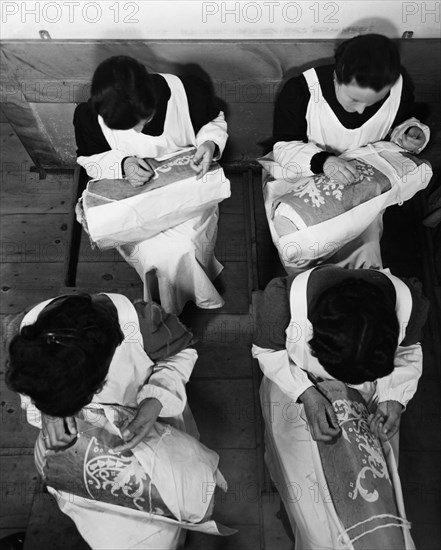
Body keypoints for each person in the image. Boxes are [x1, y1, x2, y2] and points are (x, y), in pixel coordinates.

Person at [6, 293, 225, 549]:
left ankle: (173, 533)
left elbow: (181, 353)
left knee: (167, 500)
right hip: (82, 439)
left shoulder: (142, 325)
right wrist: (50, 415)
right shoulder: (23, 335)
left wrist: (154, 400)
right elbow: (31, 386)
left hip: (145, 417)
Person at [252, 265, 428, 549]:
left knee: (373, 482)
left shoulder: (408, 303)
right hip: (298, 382)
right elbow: (268, 352)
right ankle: (293, 510)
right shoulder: (283, 302)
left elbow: (408, 350)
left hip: (373, 393)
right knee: (308, 495)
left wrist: (393, 396)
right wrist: (306, 393)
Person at [74, 55, 229, 314]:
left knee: (181, 248)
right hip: (133, 196)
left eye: (143, 120)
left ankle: (193, 299)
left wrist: (209, 144)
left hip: (185, 189)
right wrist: (123, 164)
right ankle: (167, 309)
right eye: (127, 127)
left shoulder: (188, 93)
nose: (136, 131)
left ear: (152, 97)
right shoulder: (89, 115)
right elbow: (89, 159)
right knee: (154, 256)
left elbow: (214, 122)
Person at [266, 34, 429, 270]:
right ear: (337, 75)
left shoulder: (399, 88)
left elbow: (398, 126)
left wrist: (411, 133)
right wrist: (324, 162)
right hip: (299, 174)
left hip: (362, 181)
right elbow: (283, 147)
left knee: (367, 249)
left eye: (374, 102)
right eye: (354, 99)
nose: (362, 110)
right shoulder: (301, 90)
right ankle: (304, 291)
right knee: (300, 242)